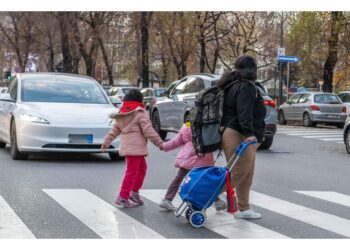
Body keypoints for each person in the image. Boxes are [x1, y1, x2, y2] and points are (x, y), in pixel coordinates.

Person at [215, 55, 266, 219]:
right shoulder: (245, 86)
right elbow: (244, 112)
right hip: (238, 133)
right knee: (238, 172)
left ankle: (244, 208)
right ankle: (206, 196)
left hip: (234, 131)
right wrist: (249, 133)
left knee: (247, 172)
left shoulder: (233, 84)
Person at [101, 89, 164, 208]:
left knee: (141, 169)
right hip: (135, 149)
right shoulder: (140, 112)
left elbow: (115, 130)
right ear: (140, 100)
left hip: (131, 149)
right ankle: (123, 197)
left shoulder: (123, 113)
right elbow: (148, 130)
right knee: (132, 172)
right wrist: (159, 143)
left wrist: (106, 141)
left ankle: (133, 193)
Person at [158, 119, 214, 211]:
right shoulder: (206, 128)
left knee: (177, 180)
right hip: (202, 161)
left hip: (186, 160)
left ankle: (167, 199)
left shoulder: (186, 128)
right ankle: (217, 200)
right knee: (205, 183)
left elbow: (175, 142)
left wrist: (164, 146)